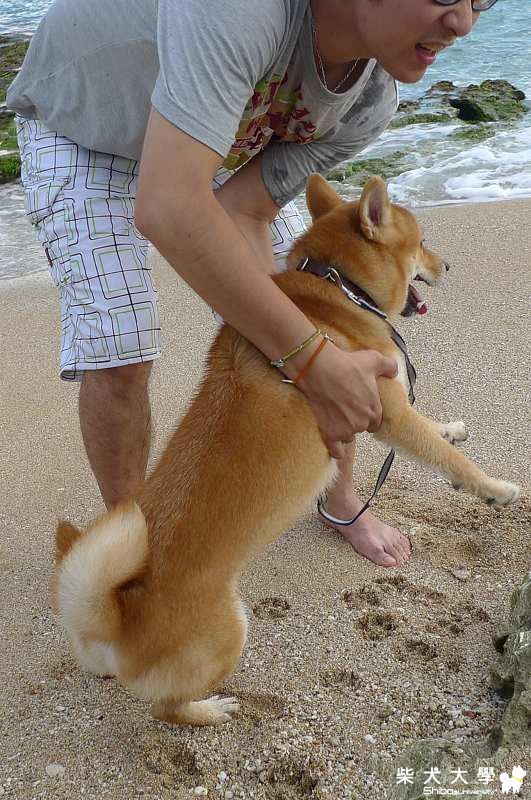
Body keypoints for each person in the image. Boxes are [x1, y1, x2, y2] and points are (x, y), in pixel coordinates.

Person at [7, 0, 491, 568]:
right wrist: (308, 358)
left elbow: (245, 209)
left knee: (330, 313)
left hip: (200, 145)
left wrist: (310, 348)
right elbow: (168, 206)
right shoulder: (242, 9)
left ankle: (340, 501)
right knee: (121, 345)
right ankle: (135, 549)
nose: (464, 23)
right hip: (84, 131)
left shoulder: (368, 102)